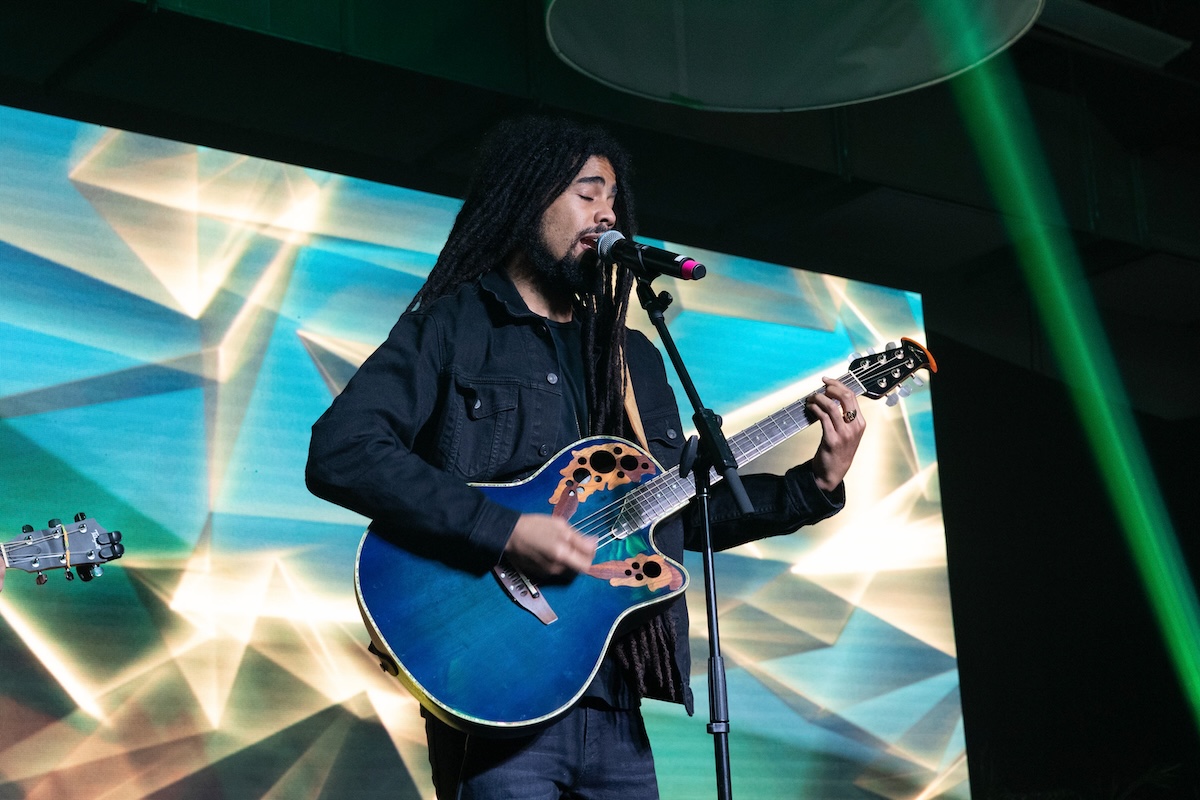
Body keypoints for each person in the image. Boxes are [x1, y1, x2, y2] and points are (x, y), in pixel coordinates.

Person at [305, 115, 865, 800]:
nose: (607, 213)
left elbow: (681, 511)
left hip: (616, 695)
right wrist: (503, 529)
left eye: (614, 200)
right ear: (527, 198)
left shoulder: (634, 360)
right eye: (587, 193)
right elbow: (343, 449)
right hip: (497, 700)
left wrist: (817, 481)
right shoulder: (454, 327)